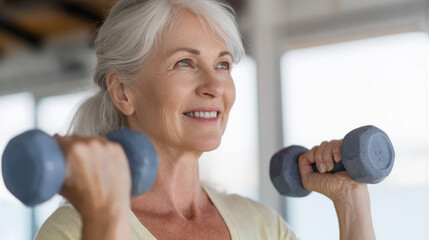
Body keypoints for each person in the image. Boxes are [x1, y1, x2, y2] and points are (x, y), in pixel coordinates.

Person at [34, 0, 375, 239]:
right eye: (185, 62)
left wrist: (350, 202)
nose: (214, 86)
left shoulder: (260, 225)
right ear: (123, 91)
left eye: (223, 64)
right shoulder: (73, 231)